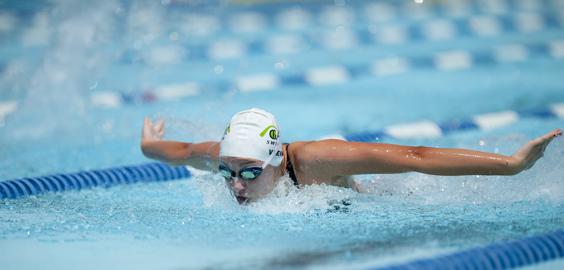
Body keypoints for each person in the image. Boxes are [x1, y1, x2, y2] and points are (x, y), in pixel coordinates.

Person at [141, 108, 562, 204]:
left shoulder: (319, 160)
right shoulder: (229, 158)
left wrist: (511, 166)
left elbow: (414, 155)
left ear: (273, 161)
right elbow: (179, 152)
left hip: (362, 203)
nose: (235, 185)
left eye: (249, 174)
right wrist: (148, 145)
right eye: (227, 173)